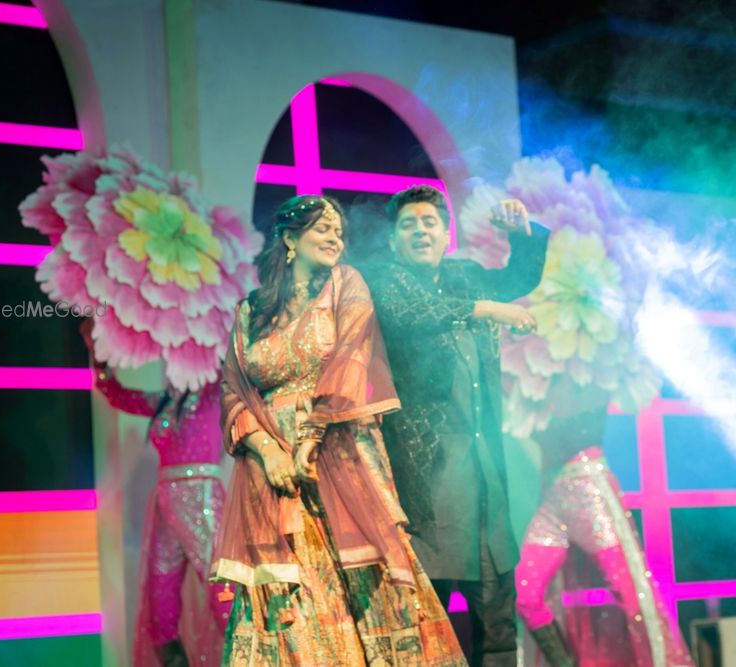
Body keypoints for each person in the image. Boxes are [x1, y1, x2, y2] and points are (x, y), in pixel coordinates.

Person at [211, 195, 466, 666]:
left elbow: (352, 358)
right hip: (272, 476)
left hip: (338, 456)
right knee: (293, 600)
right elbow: (232, 391)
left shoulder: (346, 285)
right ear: (289, 239)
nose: (335, 238)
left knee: (368, 587)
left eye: (339, 231)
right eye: (322, 228)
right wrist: (269, 451)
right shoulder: (251, 311)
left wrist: (310, 437)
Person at [361, 185, 549, 666]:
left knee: (498, 616)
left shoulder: (465, 275)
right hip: (429, 472)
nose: (420, 231)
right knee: (431, 623)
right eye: (408, 225)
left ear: (446, 235)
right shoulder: (385, 280)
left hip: (483, 467)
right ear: (393, 240)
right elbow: (409, 315)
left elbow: (521, 276)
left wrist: (521, 232)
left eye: (429, 222)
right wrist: (486, 309)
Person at [81, 318, 230, 667]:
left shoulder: (214, 390)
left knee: (224, 592)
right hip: (166, 505)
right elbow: (118, 394)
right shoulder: (166, 401)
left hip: (201, 499)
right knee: (161, 606)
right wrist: (97, 356)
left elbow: (228, 360)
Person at [516, 396, 694, 667]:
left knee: (633, 597)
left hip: (589, 491)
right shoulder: (525, 380)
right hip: (552, 496)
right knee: (525, 594)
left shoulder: (586, 377)